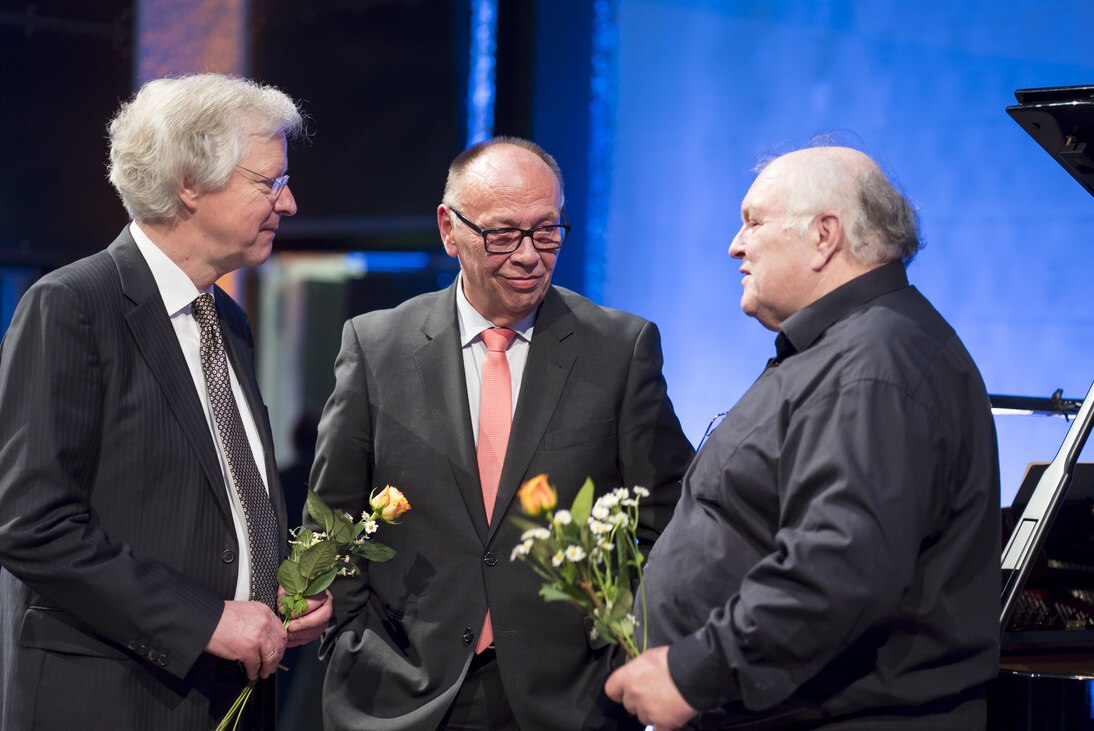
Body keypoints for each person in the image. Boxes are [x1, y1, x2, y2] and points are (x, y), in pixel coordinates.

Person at [606, 146, 1000, 730]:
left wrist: (693, 672)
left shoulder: (874, 364)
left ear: (824, 235)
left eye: (753, 222)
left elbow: (838, 566)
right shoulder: (851, 350)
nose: (735, 245)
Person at [310, 136, 695, 730]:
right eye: (503, 234)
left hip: (570, 699)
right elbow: (331, 524)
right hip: (402, 694)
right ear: (449, 229)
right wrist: (353, 642)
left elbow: (668, 523)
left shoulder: (619, 350)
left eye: (547, 232)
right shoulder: (376, 346)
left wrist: (619, 642)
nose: (528, 255)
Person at [0, 73, 331, 731]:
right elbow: (31, 524)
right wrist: (206, 618)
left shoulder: (227, 319)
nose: (288, 202)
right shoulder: (73, 306)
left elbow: (214, 503)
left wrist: (274, 594)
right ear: (189, 184)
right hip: (111, 701)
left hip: (229, 700)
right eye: (269, 182)